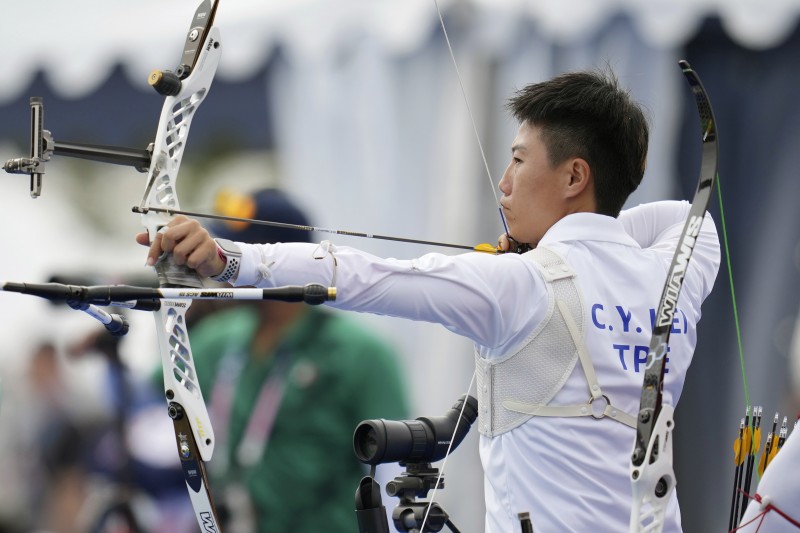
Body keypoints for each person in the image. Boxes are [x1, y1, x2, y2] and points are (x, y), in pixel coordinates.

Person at [138, 70, 721, 532]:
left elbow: (370, 275)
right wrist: (589, 232)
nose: (505, 182)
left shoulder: (518, 286)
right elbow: (682, 220)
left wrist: (230, 260)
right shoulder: (674, 275)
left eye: (519, 159)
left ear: (574, 176)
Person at [154, 187, 409, 532]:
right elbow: (154, 394)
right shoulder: (219, 338)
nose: (217, 271)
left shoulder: (361, 353)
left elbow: (398, 472)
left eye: (235, 261)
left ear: (275, 264)